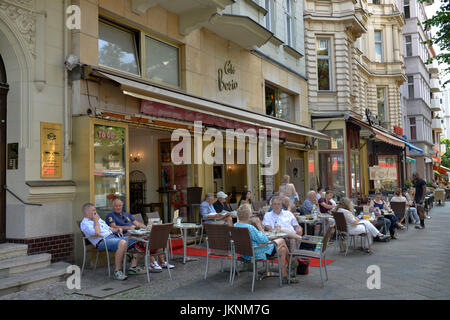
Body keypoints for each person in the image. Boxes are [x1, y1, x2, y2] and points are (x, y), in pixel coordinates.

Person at [235, 204, 298, 284]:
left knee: (282, 250)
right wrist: (259, 225)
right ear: (249, 215)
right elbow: (264, 240)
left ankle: (284, 276)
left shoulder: (235, 225)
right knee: (282, 240)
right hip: (257, 252)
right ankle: (291, 262)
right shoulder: (250, 228)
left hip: (245, 253)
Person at [106, 199, 174, 271]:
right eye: (116, 206)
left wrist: (147, 228)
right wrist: (129, 227)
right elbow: (113, 227)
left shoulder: (127, 214)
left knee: (156, 237)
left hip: (136, 233)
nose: (118, 207)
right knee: (145, 241)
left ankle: (162, 262)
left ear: (122, 206)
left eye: (120, 205)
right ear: (113, 207)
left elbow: (137, 223)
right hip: (125, 236)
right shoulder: (110, 216)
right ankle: (153, 262)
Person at [80, 203, 136, 280]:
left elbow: (109, 229)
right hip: (102, 241)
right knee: (122, 243)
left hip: (114, 237)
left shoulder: (99, 219)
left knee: (137, 239)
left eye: (95, 210)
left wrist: (116, 230)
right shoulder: (85, 223)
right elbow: (97, 233)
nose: (95, 212)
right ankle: (117, 271)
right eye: (93, 210)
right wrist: (96, 221)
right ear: (86, 212)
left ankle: (133, 267)